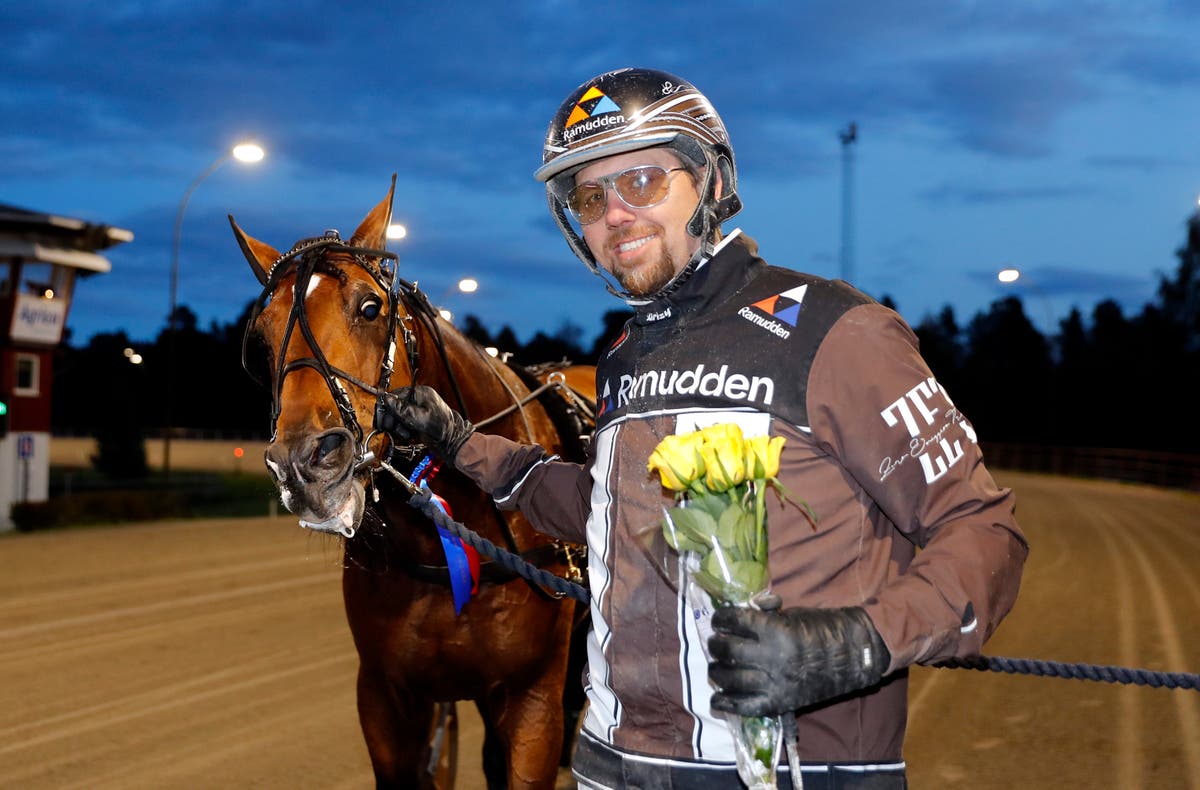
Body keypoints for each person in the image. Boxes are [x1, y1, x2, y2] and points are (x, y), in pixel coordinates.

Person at [376, 67, 1028, 789]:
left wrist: (854, 643)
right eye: (589, 196)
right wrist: (460, 442)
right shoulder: (626, 356)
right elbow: (607, 509)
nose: (614, 213)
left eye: (643, 181)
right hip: (611, 764)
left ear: (711, 184)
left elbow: (983, 532)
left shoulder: (835, 329)